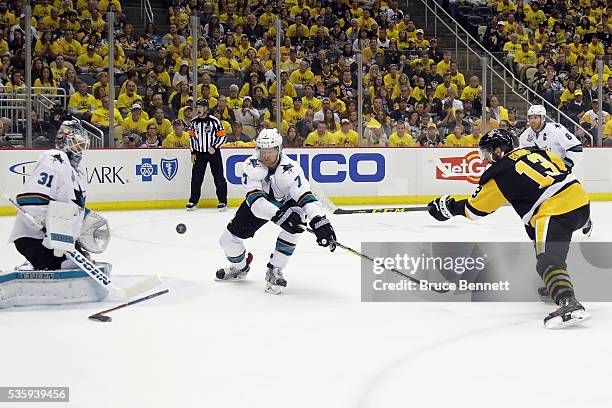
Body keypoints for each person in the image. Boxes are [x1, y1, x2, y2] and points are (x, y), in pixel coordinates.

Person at [428, 129, 591, 329]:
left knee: (548, 260)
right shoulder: (535, 151)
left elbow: (475, 210)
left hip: (555, 210)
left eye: (487, 153)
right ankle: (557, 283)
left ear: (498, 151)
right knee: (535, 232)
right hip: (581, 201)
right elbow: (562, 171)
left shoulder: (501, 172)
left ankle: (569, 303)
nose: (486, 159)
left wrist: (447, 207)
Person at [216, 128, 337, 294]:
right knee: (227, 241)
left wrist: (320, 221)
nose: (266, 156)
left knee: (297, 225)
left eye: (271, 151)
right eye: (263, 151)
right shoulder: (250, 167)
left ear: (279, 149)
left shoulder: (292, 169)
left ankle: (275, 269)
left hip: (286, 201)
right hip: (259, 204)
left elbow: (305, 196)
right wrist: (280, 215)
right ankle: (240, 267)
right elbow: (257, 205)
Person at [8, 121, 90, 270]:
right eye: (77, 143)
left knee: (83, 262)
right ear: (63, 141)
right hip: (35, 237)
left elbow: (73, 205)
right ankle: (34, 265)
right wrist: (50, 229)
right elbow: (30, 198)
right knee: (67, 266)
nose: (81, 148)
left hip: (60, 238)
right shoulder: (54, 158)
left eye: (83, 144)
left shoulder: (78, 169)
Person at [519, 104, 592, 235]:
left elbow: (576, 147)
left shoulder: (556, 130)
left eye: (536, 117)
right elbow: (523, 157)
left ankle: (585, 220)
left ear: (543, 118)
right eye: (530, 117)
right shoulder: (525, 136)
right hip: (541, 174)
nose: (532, 120)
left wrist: (565, 167)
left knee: (571, 197)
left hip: (561, 172)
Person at [186, 99, 228, 211]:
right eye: (197, 107)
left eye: (200, 107)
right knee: (196, 178)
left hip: (213, 153)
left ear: (206, 109)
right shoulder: (194, 122)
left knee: (218, 177)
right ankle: (193, 201)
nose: (198, 109)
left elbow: (223, 137)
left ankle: (223, 201)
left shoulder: (215, 121)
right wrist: (193, 152)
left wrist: (215, 147)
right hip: (199, 153)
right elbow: (191, 138)